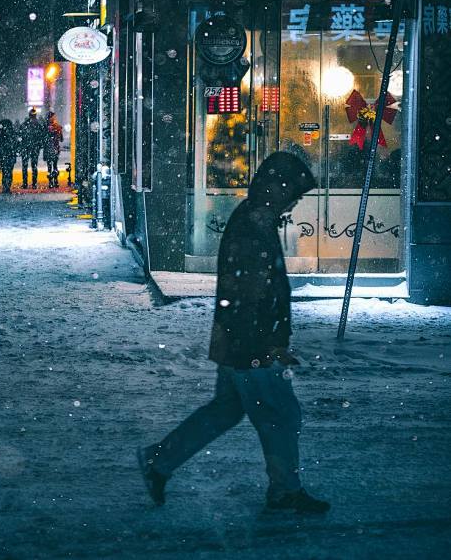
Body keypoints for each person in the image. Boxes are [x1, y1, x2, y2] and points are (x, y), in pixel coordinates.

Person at [137, 152, 330, 515]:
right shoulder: (254, 227)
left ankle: (159, 462)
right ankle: (284, 491)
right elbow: (255, 295)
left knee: (226, 410)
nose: (294, 203)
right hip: (250, 346)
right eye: (294, 195)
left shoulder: (253, 220)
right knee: (281, 415)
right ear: (277, 189)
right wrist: (270, 344)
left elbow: (249, 293)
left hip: (237, 342)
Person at [0, 118, 21, 193]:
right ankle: (7, 186)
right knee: (9, 171)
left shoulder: (0, 133)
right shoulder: (12, 133)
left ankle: (5, 186)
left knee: (5, 171)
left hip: (4, 155)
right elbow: (17, 143)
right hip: (10, 155)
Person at [20, 108, 45, 189]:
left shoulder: (24, 124)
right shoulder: (38, 124)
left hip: (26, 147)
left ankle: (25, 183)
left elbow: (20, 135)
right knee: (34, 166)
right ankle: (34, 183)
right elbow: (42, 136)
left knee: (25, 166)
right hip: (35, 148)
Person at [44, 112, 63, 189]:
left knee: (49, 166)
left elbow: (43, 139)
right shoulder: (58, 127)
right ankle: (56, 181)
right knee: (55, 165)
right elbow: (61, 139)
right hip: (55, 148)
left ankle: (50, 182)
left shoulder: (45, 127)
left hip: (48, 148)